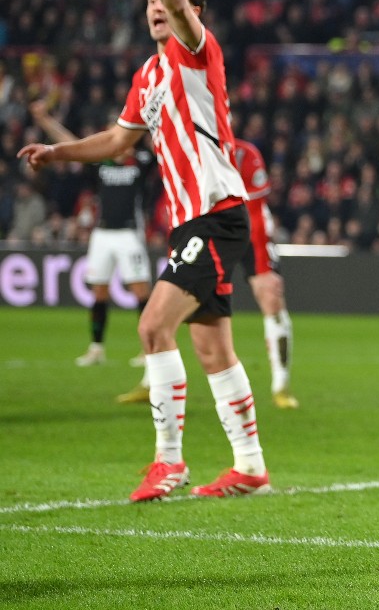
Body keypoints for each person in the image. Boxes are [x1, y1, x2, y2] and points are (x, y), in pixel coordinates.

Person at [19, 0, 270, 500]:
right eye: (150, 3)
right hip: (190, 224)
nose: (157, 8)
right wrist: (59, 153)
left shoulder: (196, 51)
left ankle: (170, 461)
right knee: (212, 349)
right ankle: (250, 466)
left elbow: (181, 1)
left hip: (216, 212)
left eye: (166, 1)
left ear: (191, 11)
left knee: (154, 325)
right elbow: (115, 141)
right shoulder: (147, 77)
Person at [117, 136, 299, 409]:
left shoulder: (243, 155)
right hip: (201, 230)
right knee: (170, 305)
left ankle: (280, 387)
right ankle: (150, 382)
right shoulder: (186, 153)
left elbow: (256, 211)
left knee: (271, 298)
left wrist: (261, 263)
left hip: (249, 228)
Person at [29, 100, 155, 368]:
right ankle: (96, 348)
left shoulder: (143, 161)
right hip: (102, 234)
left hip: (130, 234)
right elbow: (71, 144)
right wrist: (44, 121)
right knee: (99, 294)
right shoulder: (101, 164)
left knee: (141, 293)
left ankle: (148, 349)